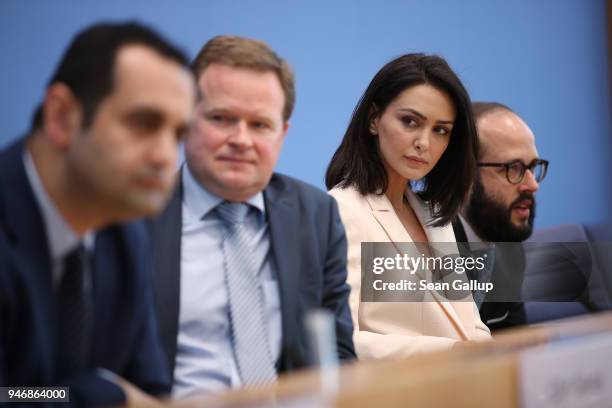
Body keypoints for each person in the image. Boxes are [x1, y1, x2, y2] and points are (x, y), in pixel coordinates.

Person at [0, 22, 195, 406]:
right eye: (144, 123)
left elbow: (151, 393)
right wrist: (100, 393)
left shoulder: (125, 231)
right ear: (61, 117)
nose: (165, 156)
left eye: (177, 135)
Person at [150, 35, 355, 398]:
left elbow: (337, 355)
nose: (241, 139)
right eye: (221, 118)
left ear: (282, 133)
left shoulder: (315, 216)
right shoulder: (131, 218)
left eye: (259, 125)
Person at [326, 53, 491, 360]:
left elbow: (470, 324)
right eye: (410, 121)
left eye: (440, 130)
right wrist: (452, 353)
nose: (424, 143)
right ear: (373, 119)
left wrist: (494, 356)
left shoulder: (436, 216)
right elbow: (341, 340)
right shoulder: (339, 211)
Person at [453, 101, 548, 330]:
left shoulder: (509, 250)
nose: (532, 185)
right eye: (513, 168)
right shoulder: (412, 246)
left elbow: (517, 349)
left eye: (533, 167)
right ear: (463, 174)